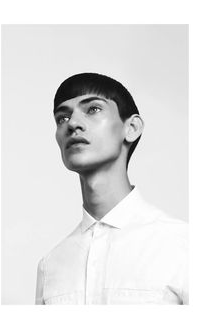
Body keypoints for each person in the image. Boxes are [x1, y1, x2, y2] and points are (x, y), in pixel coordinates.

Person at [35, 72, 188, 305]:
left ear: (132, 128)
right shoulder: (51, 266)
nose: (73, 123)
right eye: (62, 118)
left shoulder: (184, 245)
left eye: (93, 109)